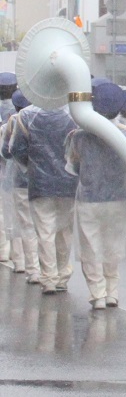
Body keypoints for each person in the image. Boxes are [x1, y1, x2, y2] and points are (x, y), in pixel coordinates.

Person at [65, 84, 126, 309]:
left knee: (90, 248)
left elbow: (73, 167)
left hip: (89, 198)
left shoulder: (78, 135)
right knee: (112, 246)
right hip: (118, 197)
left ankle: (97, 294)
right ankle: (112, 293)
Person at [10, 98, 78, 294]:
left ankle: (48, 277)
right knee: (65, 231)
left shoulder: (26, 115)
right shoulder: (74, 114)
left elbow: (16, 149)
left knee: (44, 231)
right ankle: (62, 276)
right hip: (69, 181)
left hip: (39, 182)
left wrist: (33, 165)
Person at [0, 90, 37, 280]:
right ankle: (44, 268)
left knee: (19, 220)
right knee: (41, 224)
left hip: (17, 179)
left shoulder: (11, 122)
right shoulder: (40, 118)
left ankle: (23, 263)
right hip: (41, 180)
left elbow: (6, 152)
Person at [0, 72, 17, 265]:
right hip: (18, 168)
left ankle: (3, 251)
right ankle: (16, 252)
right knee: (19, 211)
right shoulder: (22, 111)